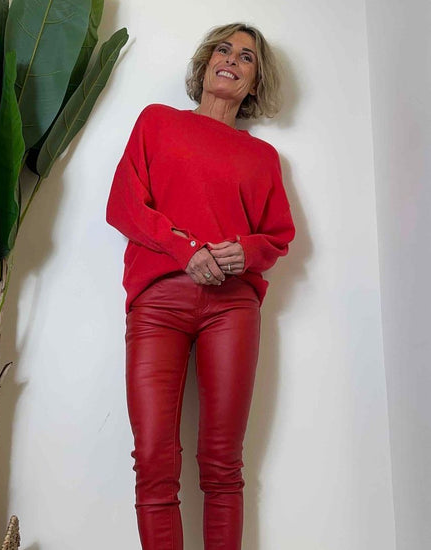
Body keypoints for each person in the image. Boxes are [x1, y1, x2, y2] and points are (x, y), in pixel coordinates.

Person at [106, 22, 296, 550]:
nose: (231, 59)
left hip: (232, 308)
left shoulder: (263, 159)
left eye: (247, 57)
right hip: (158, 302)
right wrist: (186, 250)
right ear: (207, 62)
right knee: (153, 460)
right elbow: (123, 205)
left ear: (255, 81)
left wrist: (246, 251)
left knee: (222, 464)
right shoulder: (157, 122)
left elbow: (278, 237)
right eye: (223, 49)